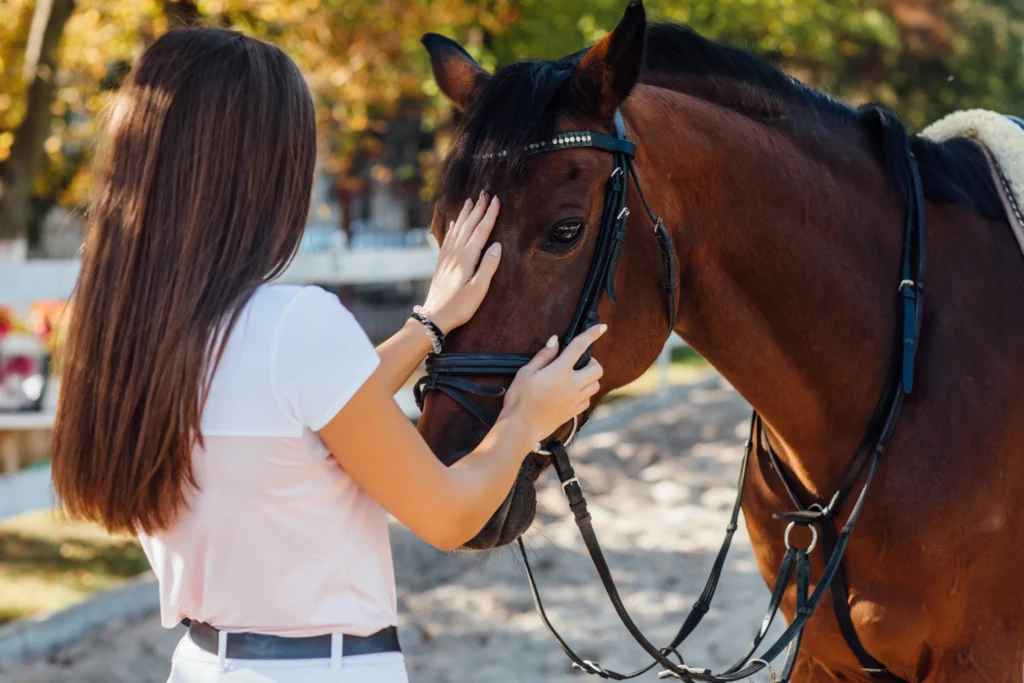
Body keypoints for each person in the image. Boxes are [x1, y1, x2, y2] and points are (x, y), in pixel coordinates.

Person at [50, 27, 604, 683]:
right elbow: (448, 516)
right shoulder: (297, 326)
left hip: (199, 662)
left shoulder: (129, 340)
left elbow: (313, 413)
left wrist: (430, 324)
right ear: (261, 173)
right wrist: (522, 421)